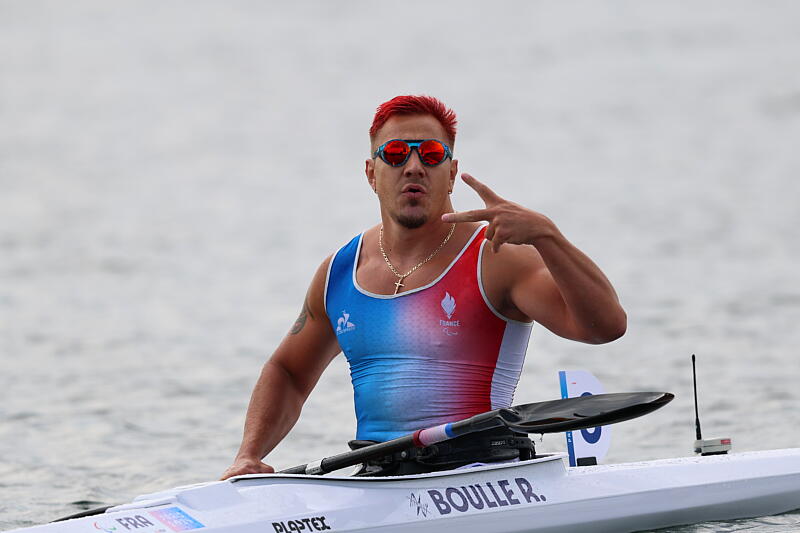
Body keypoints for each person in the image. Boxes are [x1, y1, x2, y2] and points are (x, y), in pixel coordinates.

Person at [221, 95, 626, 479]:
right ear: (371, 174)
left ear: (450, 174)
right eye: (396, 154)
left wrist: (548, 237)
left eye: (431, 154)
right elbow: (288, 371)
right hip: (378, 476)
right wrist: (249, 455)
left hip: (483, 473)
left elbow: (605, 327)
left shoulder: (498, 256)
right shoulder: (340, 271)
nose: (413, 166)